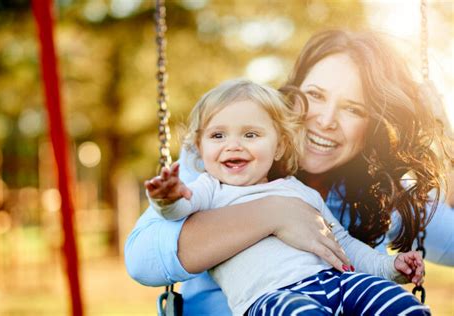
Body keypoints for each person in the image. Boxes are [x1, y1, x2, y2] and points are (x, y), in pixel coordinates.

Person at [125, 30, 454, 315]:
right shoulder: (224, 160)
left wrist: (446, 136)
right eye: (315, 95)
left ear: (375, 127)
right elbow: (142, 260)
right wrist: (275, 213)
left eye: (354, 109)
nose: (326, 120)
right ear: (291, 97)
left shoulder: (386, 195)